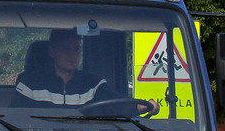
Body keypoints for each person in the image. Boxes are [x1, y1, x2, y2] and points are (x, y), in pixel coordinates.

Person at [12, 29, 159, 114]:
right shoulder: (29, 86)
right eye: (66, 49)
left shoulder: (93, 85)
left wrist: (140, 106)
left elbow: (117, 104)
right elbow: (13, 122)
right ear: (52, 51)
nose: (73, 55)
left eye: (77, 49)